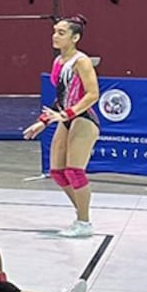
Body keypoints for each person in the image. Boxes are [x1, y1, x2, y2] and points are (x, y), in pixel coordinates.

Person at [22, 16, 100, 237]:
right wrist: (43, 121)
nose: (55, 35)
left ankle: (84, 222)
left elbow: (93, 94)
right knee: (57, 172)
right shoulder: (58, 62)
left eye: (62, 32)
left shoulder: (81, 61)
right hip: (65, 117)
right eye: (55, 31)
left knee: (75, 171)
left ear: (75, 37)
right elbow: (61, 97)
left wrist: (67, 114)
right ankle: (81, 213)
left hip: (83, 118)